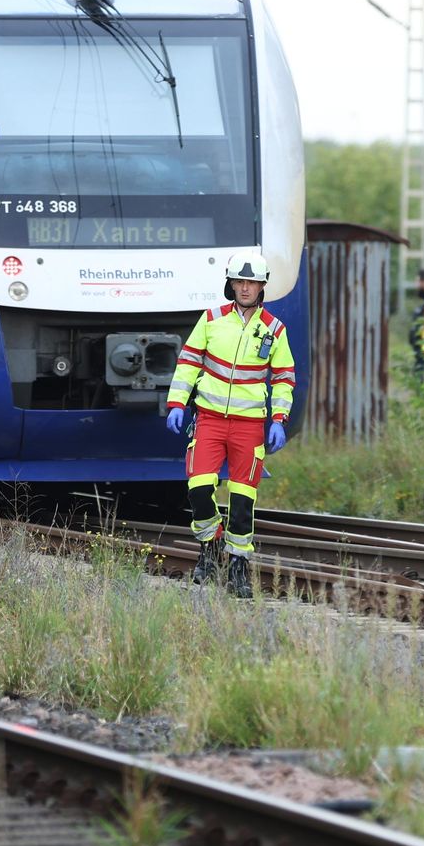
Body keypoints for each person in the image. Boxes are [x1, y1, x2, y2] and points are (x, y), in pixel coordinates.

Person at [164, 249, 296, 599]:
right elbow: (189, 362)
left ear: (262, 286)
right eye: (239, 281)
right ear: (230, 284)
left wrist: (279, 420)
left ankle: (237, 567)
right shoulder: (210, 319)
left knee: (242, 501)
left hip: (249, 426)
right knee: (198, 489)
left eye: (252, 282)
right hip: (208, 420)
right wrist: (177, 403)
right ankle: (210, 546)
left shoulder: (274, 330)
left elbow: (284, 377)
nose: (245, 288)